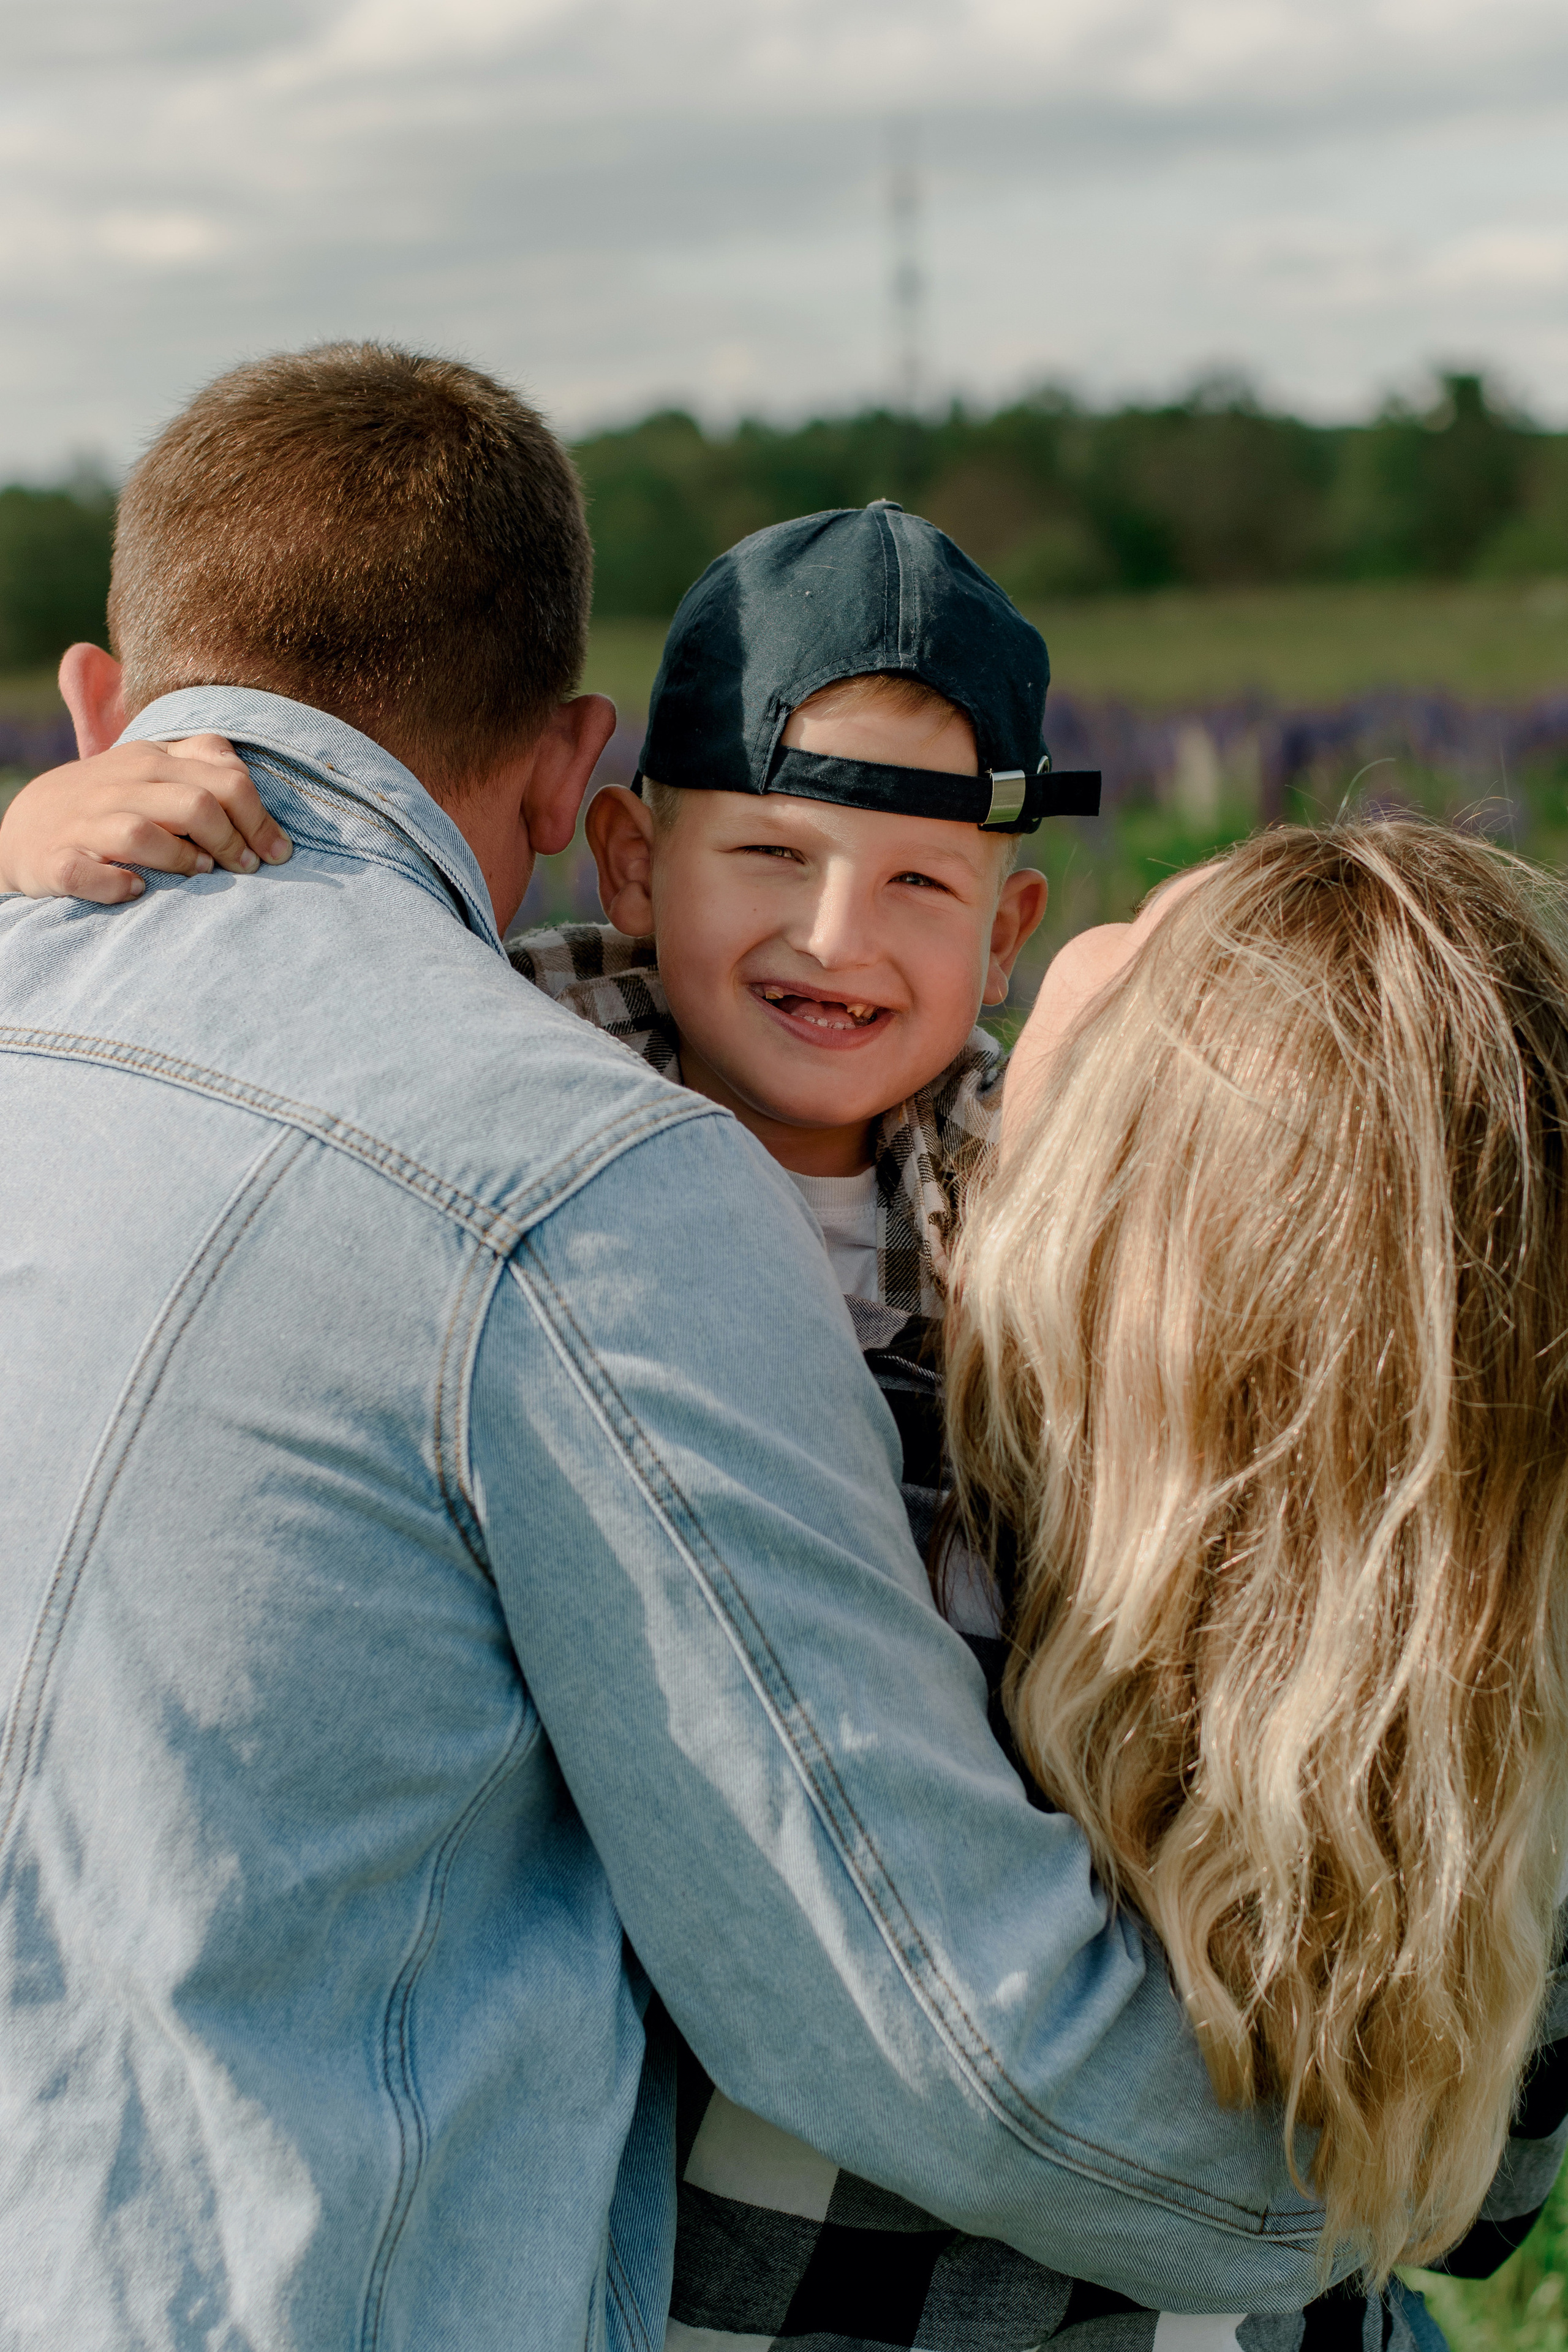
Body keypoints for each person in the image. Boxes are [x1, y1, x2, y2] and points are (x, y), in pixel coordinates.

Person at [0, 342, 1342, 2351]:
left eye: (921, 887)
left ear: (1009, 925)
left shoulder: (1029, 1209)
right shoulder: (542, 1121)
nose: (833, 939)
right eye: (770, 863)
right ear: (603, 833)